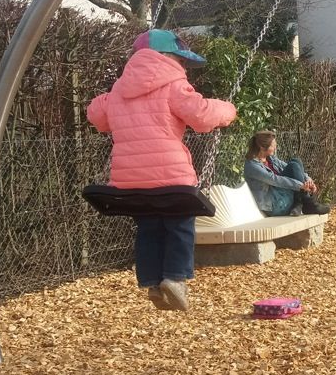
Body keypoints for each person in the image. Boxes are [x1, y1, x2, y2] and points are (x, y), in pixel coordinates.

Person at [87, 29, 237, 312]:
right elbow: (202, 116)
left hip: (128, 181)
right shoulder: (174, 86)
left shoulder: (119, 90)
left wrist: (109, 101)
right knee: (180, 224)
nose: (183, 67)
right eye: (181, 60)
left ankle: (152, 281)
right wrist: (227, 109)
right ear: (167, 58)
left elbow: (96, 114)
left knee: (149, 227)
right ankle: (175, 278)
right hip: (170, 176)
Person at [243, 130, 331, 216]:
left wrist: (308, 180)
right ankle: (306, 203)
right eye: (273, 146)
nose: (275, 148)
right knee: (294, 165)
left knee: (295, 161)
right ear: (262, 147)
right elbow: (274, 179)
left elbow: (293, 168)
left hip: (285, 195)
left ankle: (301, 203)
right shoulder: (252, 166)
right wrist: (300, 186)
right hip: (276, 205)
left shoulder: (271, 159)